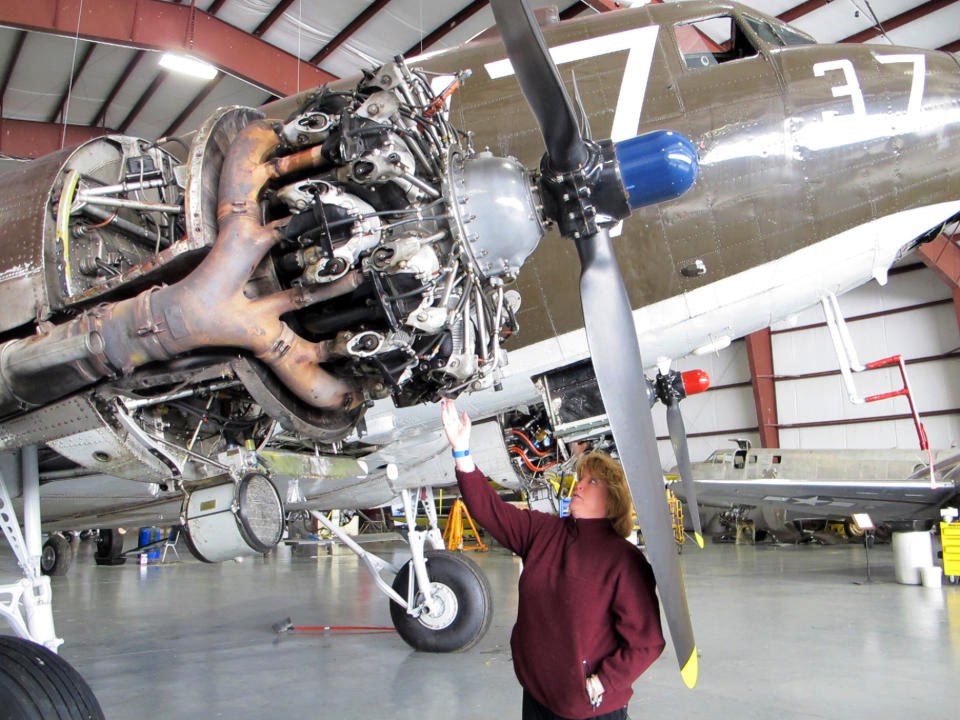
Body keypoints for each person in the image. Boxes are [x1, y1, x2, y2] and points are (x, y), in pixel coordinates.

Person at [440, 398, 665, 720]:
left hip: (590, 706)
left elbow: (646, 642)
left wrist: (603, 682)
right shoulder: (543, 532)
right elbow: (489, 510)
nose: (579, 485)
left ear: (612, 497)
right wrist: (462, 452)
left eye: (592, 481)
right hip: (538, 694)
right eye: (581, 477)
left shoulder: (624, 561)